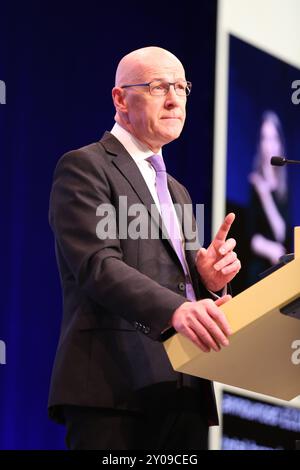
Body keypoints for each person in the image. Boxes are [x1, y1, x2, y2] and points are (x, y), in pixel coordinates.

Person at [48, 46, 241, 450]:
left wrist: (206, 282)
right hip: (115, 389)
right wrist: (177, 308)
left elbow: (175, 282)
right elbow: (98, 265)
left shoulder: (177, 191)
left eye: (181, 87)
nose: (174, 99)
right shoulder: (86, 167)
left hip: (184, 389)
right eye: (157, 87)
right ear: (120, 99)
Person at [248, 110, 290, 285]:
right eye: (265, 138)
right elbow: (251, 238)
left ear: (280, 143)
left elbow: (281, 233)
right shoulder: (253, 182)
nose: (269, 144)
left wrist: (266, 196)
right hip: (258, 270)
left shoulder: (283, 188)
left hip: (279, 269)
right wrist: (270, 249)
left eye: (273, 138)